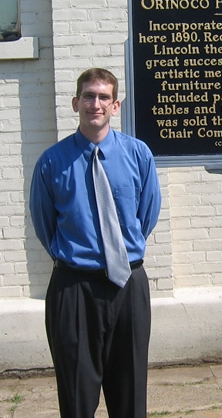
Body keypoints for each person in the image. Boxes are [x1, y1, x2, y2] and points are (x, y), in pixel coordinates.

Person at [30, 68, 162, 418]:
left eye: (104, 97)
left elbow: (146, 216)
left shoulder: (138, 155)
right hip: (74, 288)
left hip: (128, 286)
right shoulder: (51, 163)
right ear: (76, 103)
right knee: (76, 399)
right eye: (89, 96)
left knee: (131, 397)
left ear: (115, 105)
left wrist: (119, 253)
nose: (96, 103)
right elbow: (45, 225)